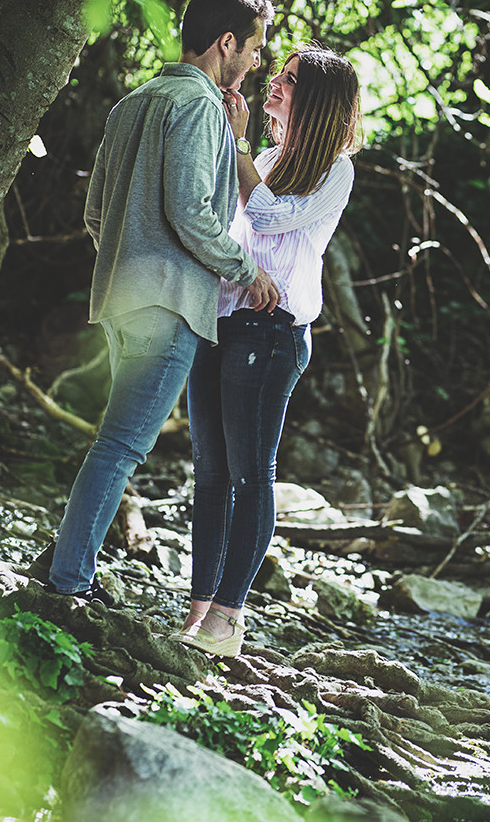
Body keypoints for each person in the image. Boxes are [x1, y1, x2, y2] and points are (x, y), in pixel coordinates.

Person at [41, 0, 282, 603]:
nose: (257, 63)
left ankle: (64, 564)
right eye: (254, 49)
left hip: (120, 300)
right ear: (226, 43)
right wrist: (246, 270)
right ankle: (68, 582)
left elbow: (96, 213)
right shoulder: (199, 106)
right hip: (170, 305)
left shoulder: (133, 102)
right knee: (120, 447)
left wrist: (131, 261)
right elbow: (192, 212)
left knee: (113, 443)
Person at [175, 42, 363, 655]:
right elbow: (223, 224)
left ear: (316, 101)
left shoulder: (336, 169)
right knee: (210, 475)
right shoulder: (270, 156)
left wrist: (240, 147)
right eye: (277, 75)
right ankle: (199, 610)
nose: (274, 85)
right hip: (223, 318)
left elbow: (270, 220)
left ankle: (229, 618)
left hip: (274, 330)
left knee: (252, 475)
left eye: (288, 80)